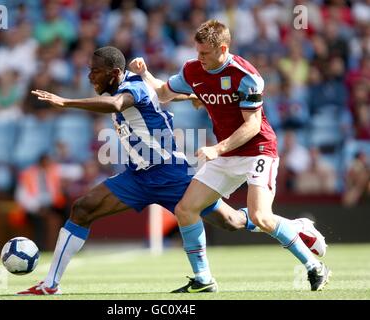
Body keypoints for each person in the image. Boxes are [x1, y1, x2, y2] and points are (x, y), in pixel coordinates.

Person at [18, 46, 326, 295]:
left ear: (113, 73)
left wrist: (65, 102)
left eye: (95, 71)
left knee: (232, 221)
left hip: (170, 173)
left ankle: (296, 227)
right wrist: (191, 96)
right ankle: (50, 284)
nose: (89, 75)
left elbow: (115, 105)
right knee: (82, 208)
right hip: (137, 176)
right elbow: (163, 94)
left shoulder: (132, 86)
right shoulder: (136, 84)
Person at [129, 20, 331, 292]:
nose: (199, 59)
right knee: (185, 210)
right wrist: (145, 74)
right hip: (225, 153)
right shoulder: (192, 69)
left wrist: (216, 149)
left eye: (205, 53)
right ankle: (203, 279)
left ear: (222, 49)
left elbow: (253, 125)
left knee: (261, 217)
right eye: (197, 51)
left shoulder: (246, 75)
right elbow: (164, 93)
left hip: (258, 149)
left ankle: (315, 267)